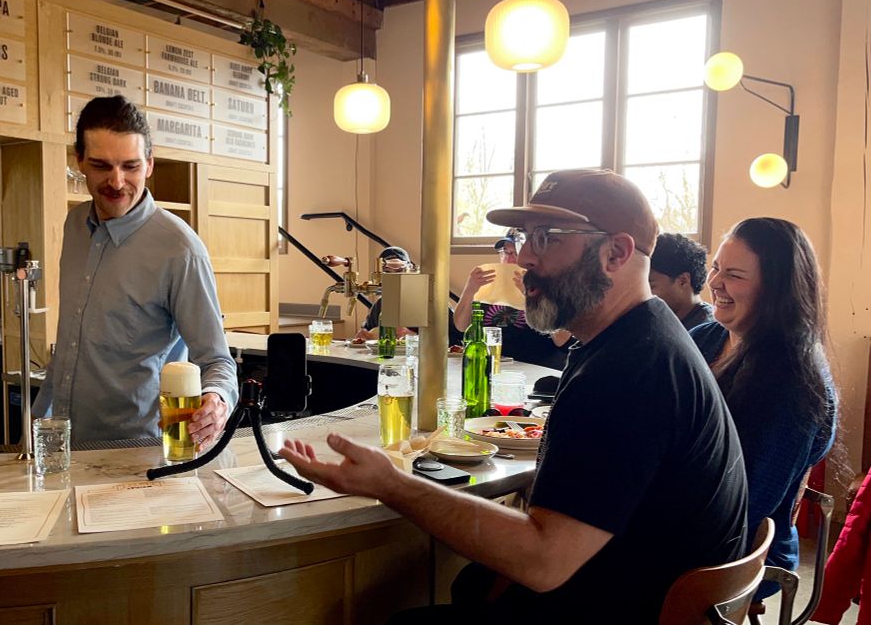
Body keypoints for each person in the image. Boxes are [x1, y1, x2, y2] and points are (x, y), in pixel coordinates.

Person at [281, 169, 748, 622]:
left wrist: (390, 483)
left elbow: (543, 561)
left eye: (547, 237)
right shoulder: (642, 338)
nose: (523, 258)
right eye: (524, 238)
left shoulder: (629, 370)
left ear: (616, 253)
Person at [33, 95, 238, 444]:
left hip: (136, 449)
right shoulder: (74, 223)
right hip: (60, 436)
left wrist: (216, 401)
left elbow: (218, 360)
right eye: (101, 166)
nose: (116, 182)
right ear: (79, 160)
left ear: (150, 165)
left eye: (130, 166)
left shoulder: (180, 250)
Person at [690, 217, 837, 596]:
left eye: (734, 275)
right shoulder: (707, 336)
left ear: (777, 291)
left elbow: (751, 503)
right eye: (716, 267)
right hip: (687, 516)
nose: (715, 282)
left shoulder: (796, 380)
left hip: (741, 552)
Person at [451, 229, 571, 369]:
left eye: (515, 253)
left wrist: (531, 297)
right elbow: (461, 327)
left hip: (534, 369)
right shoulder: (489, 285)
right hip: (489, 366)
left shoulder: (551, 287)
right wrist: (469, 290)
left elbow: (564, 341)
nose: (508, 259)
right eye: (505, 252)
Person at [648, 232, 715, 330]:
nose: (645, 295)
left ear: (683, 281)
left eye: (651, 286)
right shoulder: (665, 320)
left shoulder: (705, 334)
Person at [354, 246, 416, 340]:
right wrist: (362, 336)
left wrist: (412, 336)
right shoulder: (381, 304)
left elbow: (445, 340)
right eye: (387, 272)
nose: (394, 277)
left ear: (410, 271)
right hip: (386, 353)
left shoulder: (430, 302)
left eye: (399, 271)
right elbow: (367, 331)